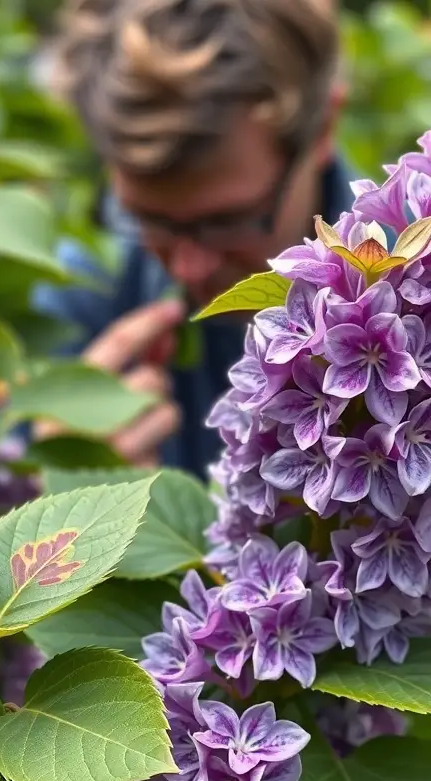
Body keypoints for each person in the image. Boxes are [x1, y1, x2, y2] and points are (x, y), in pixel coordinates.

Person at [34, 0, 351, 477]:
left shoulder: (413, 304)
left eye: (228, 220)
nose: (186, 269)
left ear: (323, 130)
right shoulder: (80, 301)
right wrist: (62, 495)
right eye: (149, 219)